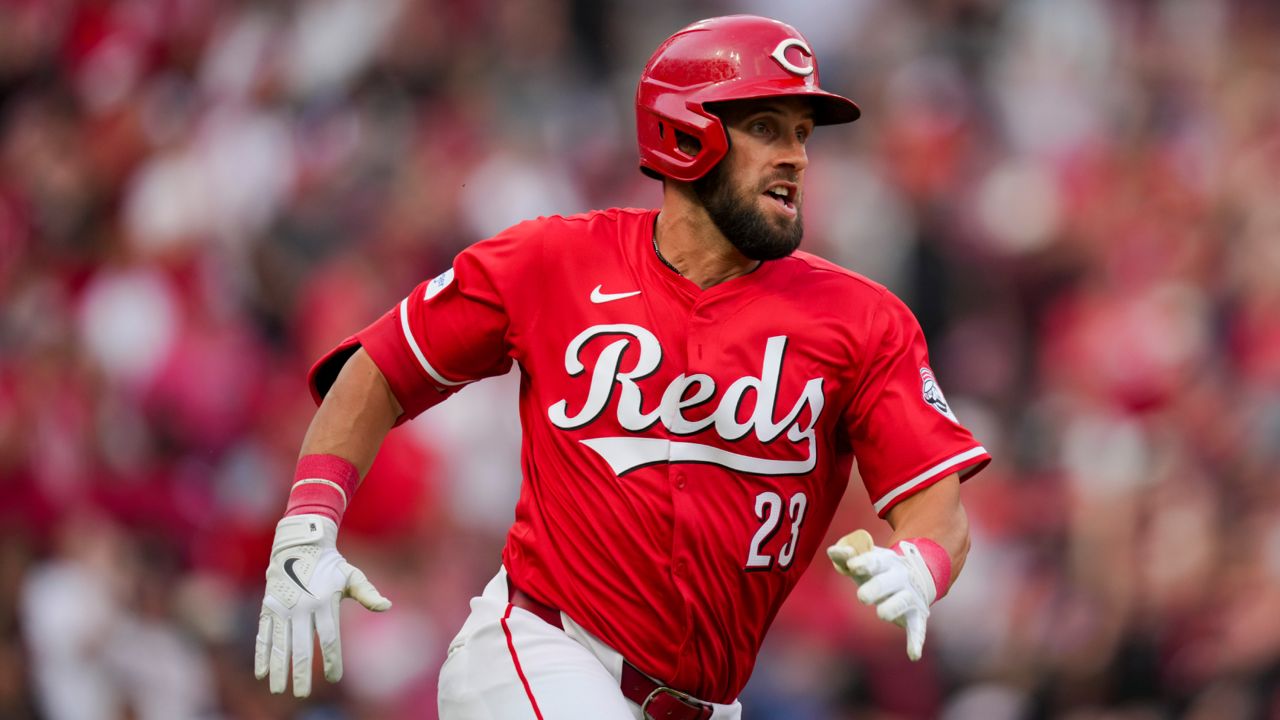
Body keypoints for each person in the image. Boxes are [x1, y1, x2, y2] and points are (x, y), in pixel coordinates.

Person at [254, 14, 990, 719]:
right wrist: (309, 524)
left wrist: (921, 564)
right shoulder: (554, 261)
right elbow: (382, 368)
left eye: (801, 133)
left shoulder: (862, 319)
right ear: (684, 133)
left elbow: (935, 503)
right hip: (540, 650)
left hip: (705, 703)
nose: (795, 154)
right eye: (765, 127)